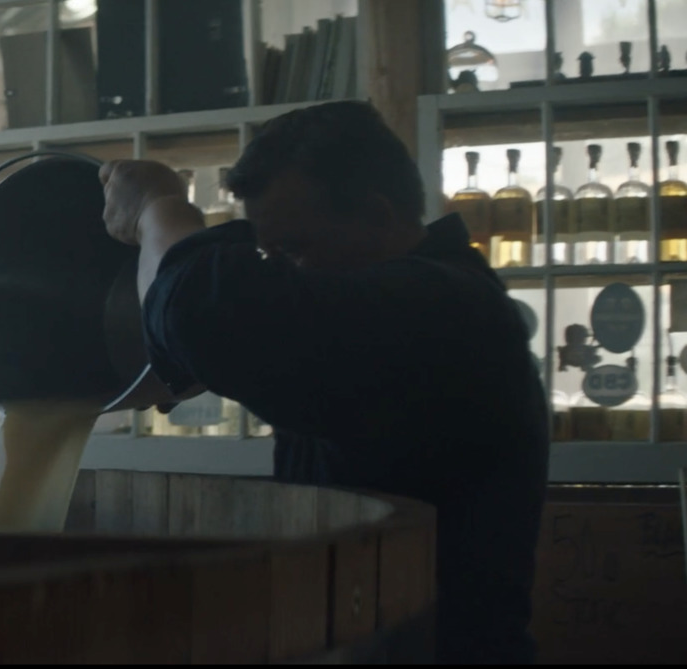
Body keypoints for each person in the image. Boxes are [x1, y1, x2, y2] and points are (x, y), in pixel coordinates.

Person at [99, 100, 549, 664]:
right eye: (272, 253)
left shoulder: (445, 305)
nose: (287, 270)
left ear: (379, 216)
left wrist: (157, 208)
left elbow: (203, 309)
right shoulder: (403, 314)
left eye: (296, 248)